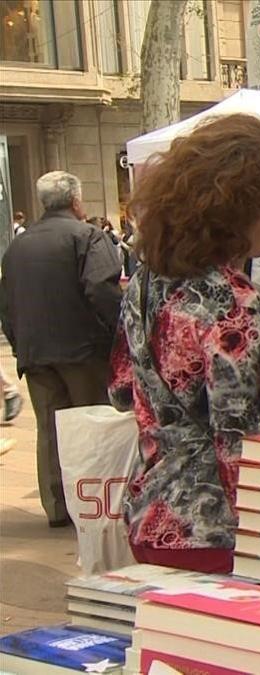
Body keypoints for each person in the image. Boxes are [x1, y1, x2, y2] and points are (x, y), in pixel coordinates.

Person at [108, 114, 260, 573]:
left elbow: (121, 388)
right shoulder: (231, 303)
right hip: (218, 529)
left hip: (151, 507)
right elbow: (238, 443)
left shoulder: (149, 280)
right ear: (239, 209)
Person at [0, 171, 121, 527]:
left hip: (37, 351)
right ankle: (96, 499)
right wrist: (117, 334)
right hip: (84, 349)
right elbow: (102, 289)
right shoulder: (87, 236)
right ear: (76, 201)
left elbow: (6, 304)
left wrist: (21, 342)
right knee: (92, 424)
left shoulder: (17, 246)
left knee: (49, 428)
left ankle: (57, 506)